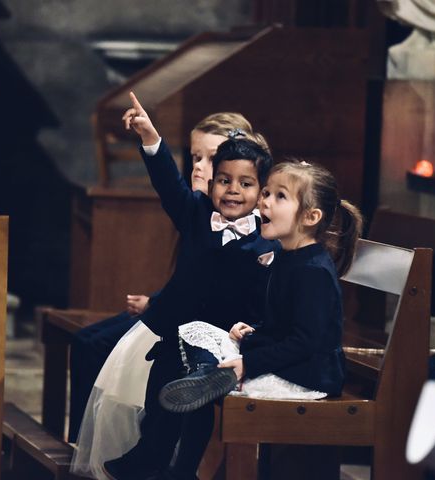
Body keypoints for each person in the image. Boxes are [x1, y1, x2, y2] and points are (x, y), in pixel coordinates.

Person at [72, 93, 278, 480]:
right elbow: (167, 183)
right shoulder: (197, 215)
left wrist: (256, 332)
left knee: (195, 398)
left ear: (261, 191)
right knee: (161, 389)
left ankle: (181, 470)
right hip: (182, 334)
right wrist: (150, 137)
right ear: (212, 184)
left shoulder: (266, 239)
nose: (232, 190)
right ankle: (148, 456)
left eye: (245, 184)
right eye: (224, 181)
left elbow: (268, 295)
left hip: (229, 339)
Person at [154, 160, 363, 479]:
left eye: (280, 196)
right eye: (266, 192)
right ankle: (200, 390)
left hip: (309, 377)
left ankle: (188, 460)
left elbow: (306, 342)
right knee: (194, 334)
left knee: (220, 384)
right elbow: (283, 327)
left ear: (310, 217)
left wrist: (249, 362)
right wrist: (251, 333)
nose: (264, 201)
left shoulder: (313, 272)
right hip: (293, 361)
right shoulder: (285, 257)